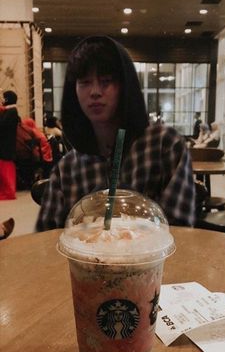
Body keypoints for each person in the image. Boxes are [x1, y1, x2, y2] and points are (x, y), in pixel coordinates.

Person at [36, 36, 195, 231]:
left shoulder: (164, 145)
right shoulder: (67, 169)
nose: (95, 91)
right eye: (85, 82)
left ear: (125, 87)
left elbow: (180, 233)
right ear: (74, 90)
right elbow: (46, 240)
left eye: (106, 81)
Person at [0, 90, 19, 199]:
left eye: (3, 98)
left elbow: (2, 126)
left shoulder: (11, 111)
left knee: (5, 171)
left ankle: (8, 192)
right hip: (5, 145)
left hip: (6, 146)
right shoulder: (9, 111)